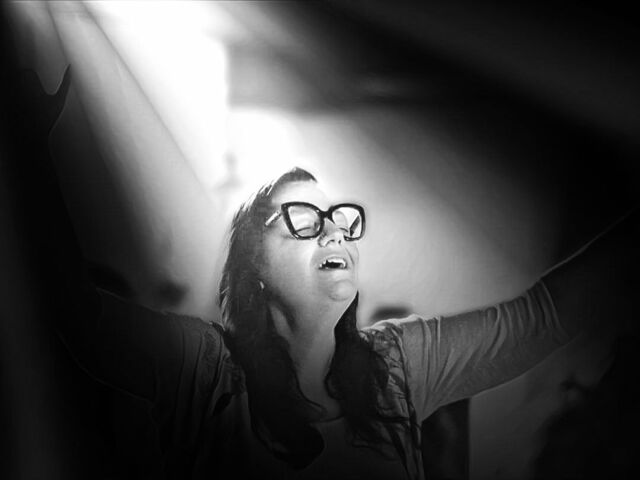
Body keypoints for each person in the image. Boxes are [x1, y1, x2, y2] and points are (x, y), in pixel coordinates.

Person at [6, 66, 638, 480]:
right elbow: (77, 315)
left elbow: (545, 316)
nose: (334, 229)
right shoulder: (206, 371)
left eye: (340, 218)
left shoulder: (399, 367)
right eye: (304, 218)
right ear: (253, 265)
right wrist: (27, 149)